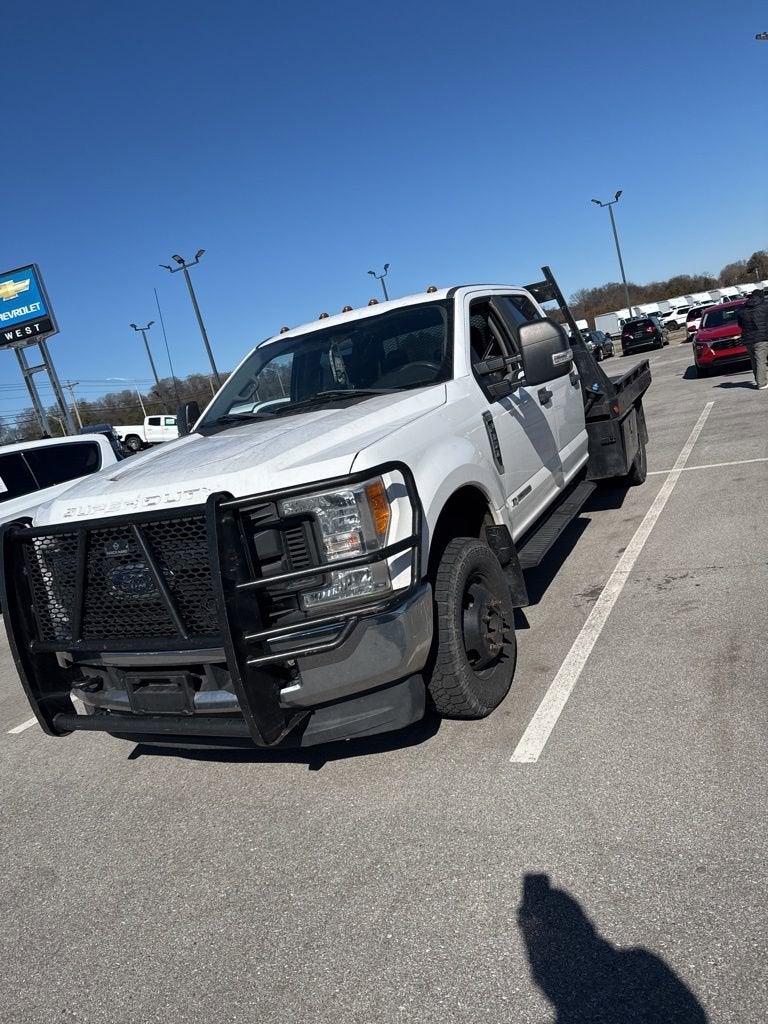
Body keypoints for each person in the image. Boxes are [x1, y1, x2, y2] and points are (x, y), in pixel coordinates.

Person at [736, 289, 768, 389]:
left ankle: (759, 380)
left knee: (754, 360)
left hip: (748, 339)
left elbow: (740, 324)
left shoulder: (742, 309)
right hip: (762, 337)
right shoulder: (765, 307)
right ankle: (762, 383)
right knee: (761, 360)